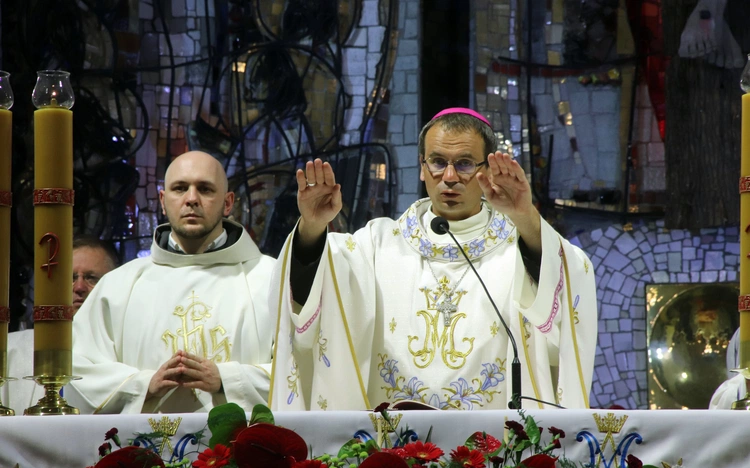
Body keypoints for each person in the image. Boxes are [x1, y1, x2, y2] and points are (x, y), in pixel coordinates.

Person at [268, 108, 597, 411]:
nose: (450, 177)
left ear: (488, 171)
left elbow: (571, 276)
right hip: (391, 451)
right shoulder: (376, 245)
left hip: (497, 456)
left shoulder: (518, 246)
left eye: (465, 163)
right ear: (422, 168)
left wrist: (525, 215)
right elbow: (314, 284)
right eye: (438, 162)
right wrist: (312, 225)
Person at [68, 150, 275, 414]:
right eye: (180, 188)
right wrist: (142, 385)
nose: (191, 199)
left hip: (239, 450)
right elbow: (80, 366)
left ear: (227, 202)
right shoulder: (118, 286)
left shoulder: (269, 278)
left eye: (205, 189)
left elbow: (301, 369)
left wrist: (226, 379)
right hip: (140, 450)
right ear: (163, 201)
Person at [2, 237, 119, 412]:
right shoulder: (12, 348)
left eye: (91, 278)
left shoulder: (121, 348)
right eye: (70, 277)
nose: (79, 287)